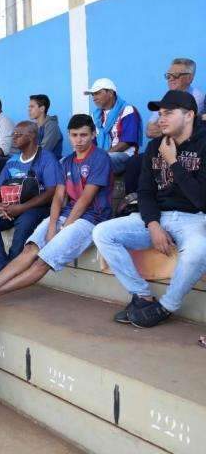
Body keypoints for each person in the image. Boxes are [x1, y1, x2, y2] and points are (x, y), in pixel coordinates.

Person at [0, 114, 113, 305]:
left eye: (83, 135)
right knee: (30, 249)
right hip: (65, 214)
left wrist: (64, 229)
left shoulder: (100, 158)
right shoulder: (68, 161)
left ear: (93, 134)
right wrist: (53, 226)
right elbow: (59, 197)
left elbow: (85, 199)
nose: (78, 140)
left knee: (43, 260)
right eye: (74, 135)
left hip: (91, 218)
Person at [93, 90, 206, 328]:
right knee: (103, 233)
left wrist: (174, 161)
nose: (160, 119)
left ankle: (166, 306)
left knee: (199, 250)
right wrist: (153, 224)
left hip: (194, 218)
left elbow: (201, 200)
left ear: (189, 115)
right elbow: (145, 192)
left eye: (168, 113)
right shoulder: (155, 146)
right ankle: (142, 296)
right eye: (160, 114)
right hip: (158, 216)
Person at [0, 121, 60, 275]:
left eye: (18, 135)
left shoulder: (47, 158)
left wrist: (22, 208)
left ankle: (14, 263)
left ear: (32, 136)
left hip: (37, 207)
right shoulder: (13, 160)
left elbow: (51, 192)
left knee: (25, 220)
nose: (14, 137)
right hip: (11, 206)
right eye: (13, 134)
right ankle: (2, 265)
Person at [124, 58, 205, 194]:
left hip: (188, 151)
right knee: (134, 162)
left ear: (190, 78)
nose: (170, 79)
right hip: (163, 147)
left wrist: (167, 129)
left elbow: (185, 128)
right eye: (168, 76)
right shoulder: (166, 98)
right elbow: (149, 130)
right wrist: (169, 127)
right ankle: (133, 200)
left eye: (176, 75)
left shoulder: (196, 97)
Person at [85, 78, 142, 174]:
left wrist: (104, 154)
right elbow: (92, 142)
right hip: (104, 156)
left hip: (125, 156)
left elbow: (127, 142)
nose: (94, 98)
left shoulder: (127, 110)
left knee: (99, 161)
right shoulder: (95, 116)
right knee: (69, 161)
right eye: (92, 94)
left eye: (97, 93)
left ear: (111, 93)